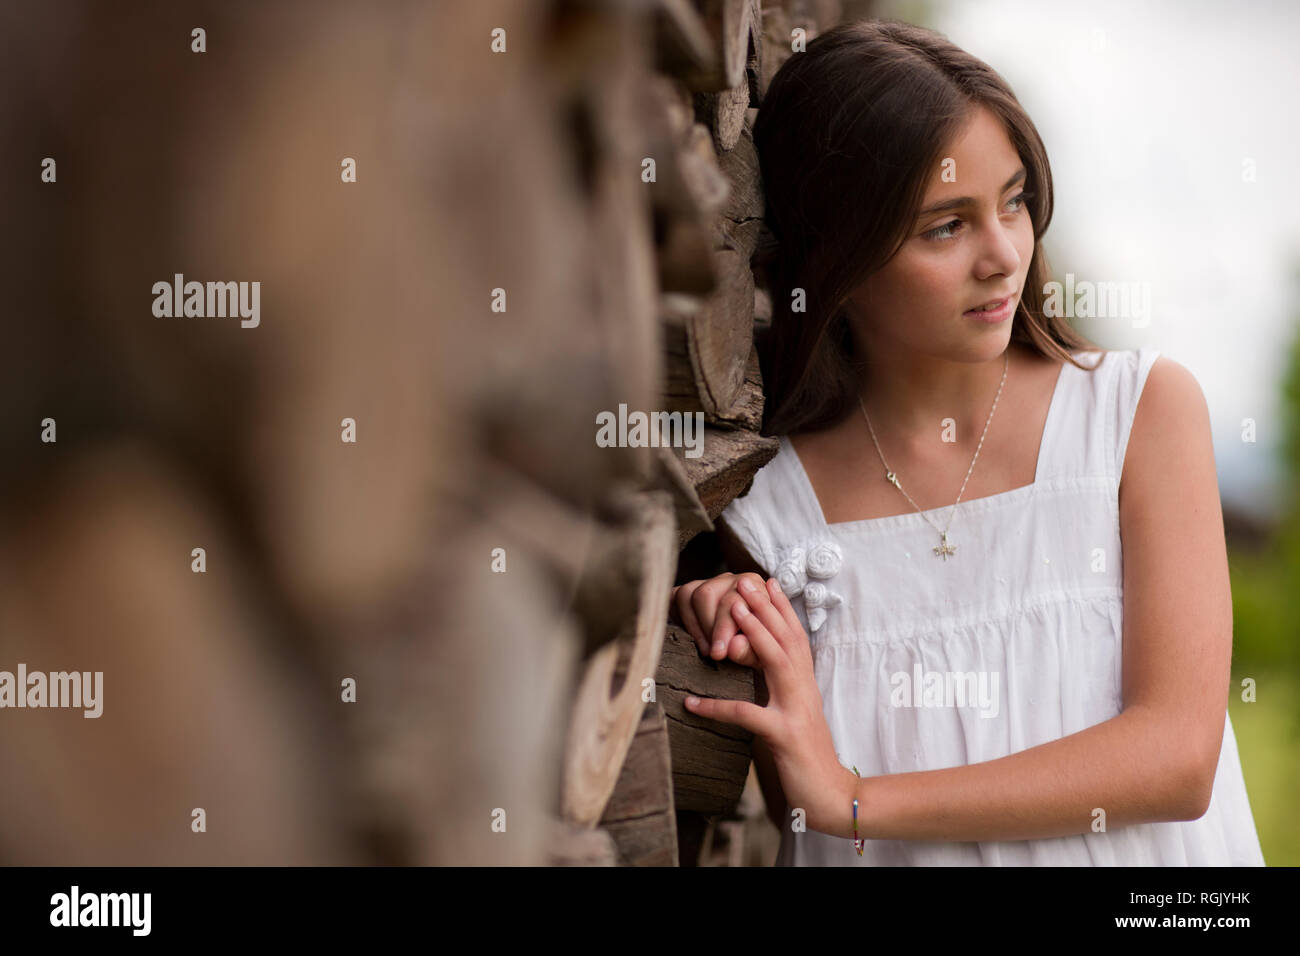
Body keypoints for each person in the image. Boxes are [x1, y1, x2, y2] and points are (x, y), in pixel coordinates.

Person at [670, 19, 1265, 866]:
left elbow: (1176, 758)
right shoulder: (770, 513)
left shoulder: (1138, 414)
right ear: (838, 257)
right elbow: (795, 793)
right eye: (945, 227)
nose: (1002, 254)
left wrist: (857, 800)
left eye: (1014, 201)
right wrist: (736, 625)